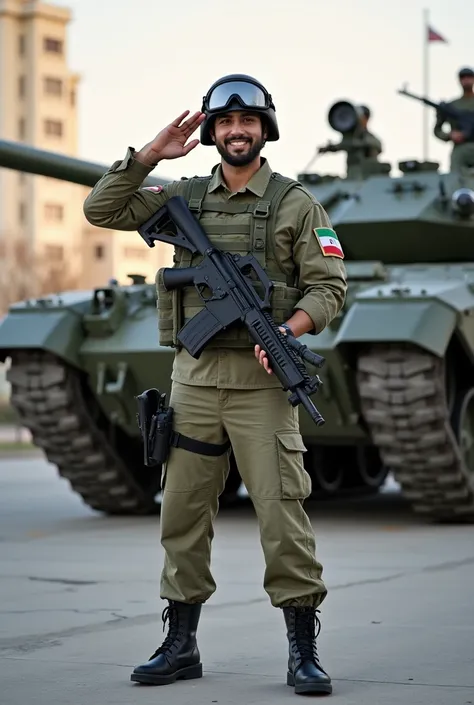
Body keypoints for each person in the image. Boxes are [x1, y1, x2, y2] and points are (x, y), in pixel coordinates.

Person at [83, 73, 347, 696]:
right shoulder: (182, 193)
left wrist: (287, 328)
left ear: (264, 130)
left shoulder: (295, 203)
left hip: (260, 386)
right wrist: (150, 154)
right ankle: (181, 644)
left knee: (282, 514)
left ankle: (302, 647)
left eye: (247, 123)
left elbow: (329, 287)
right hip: (195, 381)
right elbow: (102, 209)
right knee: (182, 511)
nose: (236, 131)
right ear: (210, 131)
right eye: (225, 123)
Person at [318, 105, 382, 179]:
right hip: (352, 173)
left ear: (366, 119)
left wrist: (351, 144)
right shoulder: (350, 137)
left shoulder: (369, 138)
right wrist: (331, 147)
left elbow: (376, 145)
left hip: (368, 174)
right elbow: (345, 145)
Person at [433, 67, 474, 171]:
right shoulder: (453, 106)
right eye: (463, 77)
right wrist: (449, 135)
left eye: (469, 77)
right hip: (460, 149)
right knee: (455, 181)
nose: (466, 80)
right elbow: (437, 130)